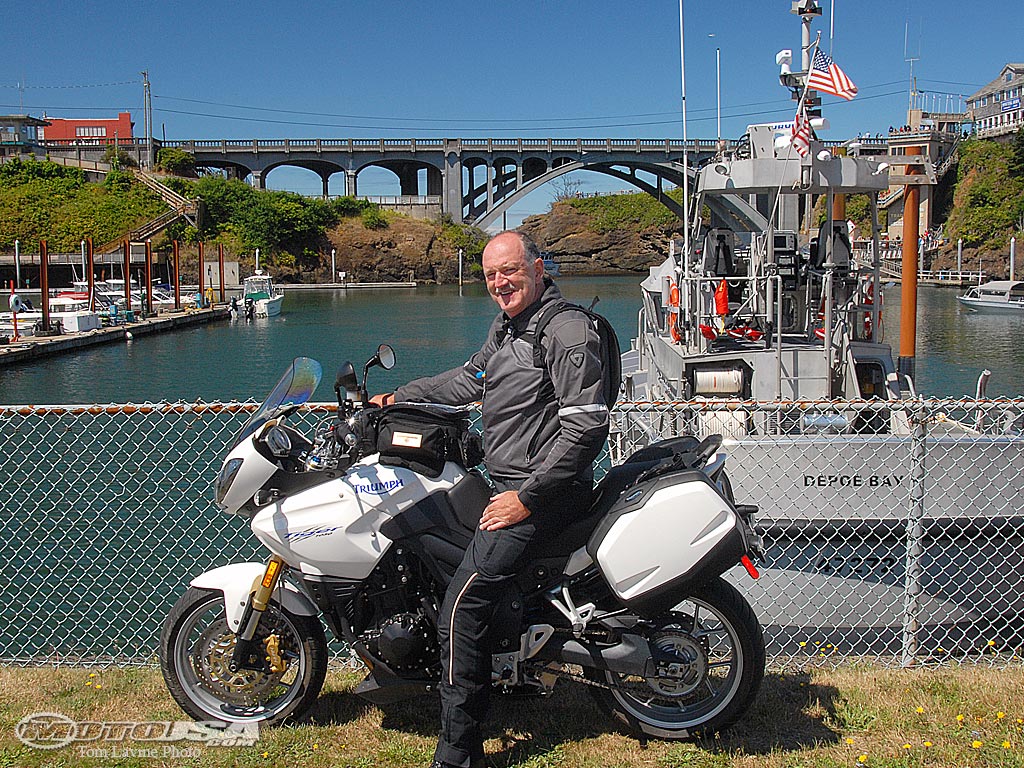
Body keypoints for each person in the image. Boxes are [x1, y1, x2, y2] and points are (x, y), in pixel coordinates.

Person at [372, 231, 609, 768]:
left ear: (538, 266)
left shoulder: (567, 330)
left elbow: (586, 429)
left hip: (545, 492)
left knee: (461, 606)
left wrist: (526, 499)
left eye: (510, 270)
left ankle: (460, 753)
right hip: (510, 480)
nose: (500, 283)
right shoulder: (509, 327)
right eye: (490, 277)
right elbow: (467, 380)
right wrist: (397, 398)